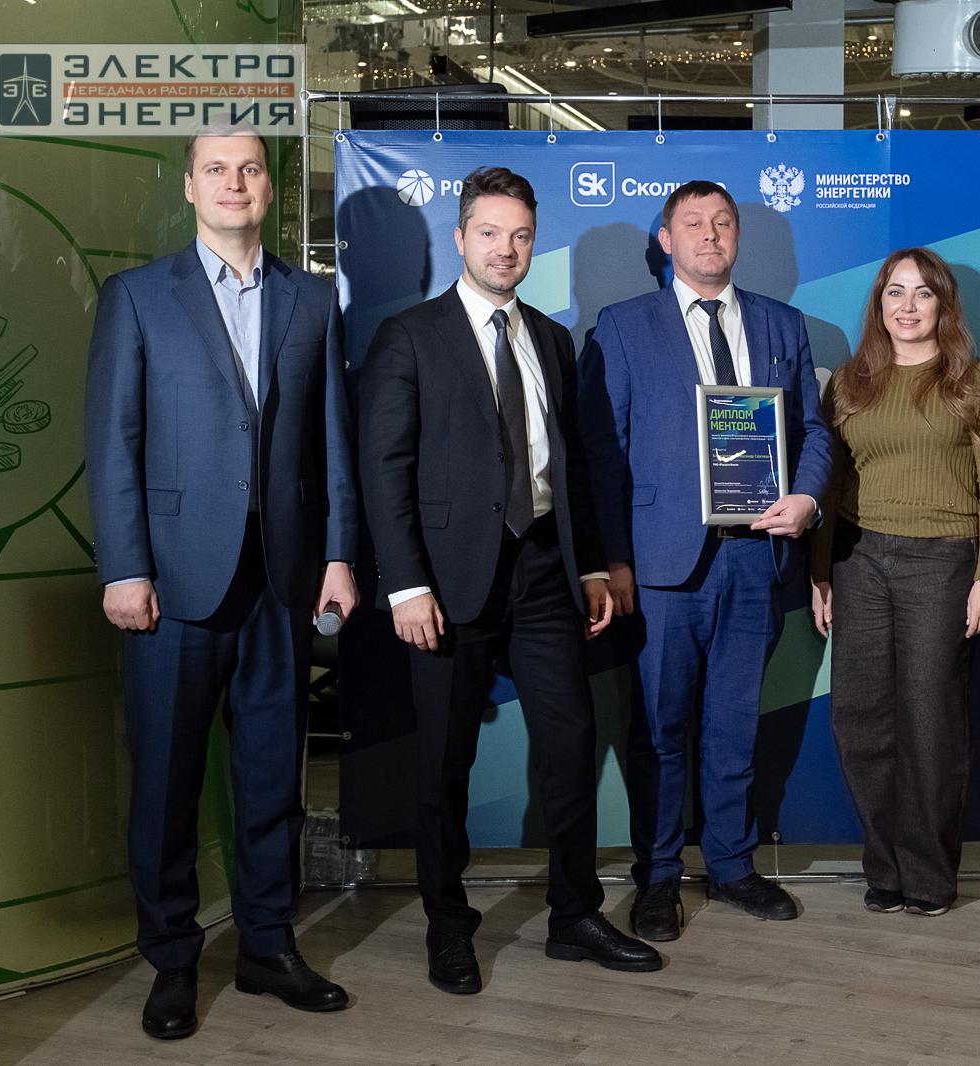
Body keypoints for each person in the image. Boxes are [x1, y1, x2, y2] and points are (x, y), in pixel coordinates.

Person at [84, 124, 358, 1040]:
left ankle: (267, 947)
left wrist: (338, 554)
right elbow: (113, 442)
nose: (234, 182)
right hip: (170, 587)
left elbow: (332, 441)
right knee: (165, 785)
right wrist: (125, 567)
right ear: (190, 187)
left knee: (273, 780)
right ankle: (171, 961)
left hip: (281, 584)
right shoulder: (137, 297)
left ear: (270, 188)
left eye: (249, 168)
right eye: (216, 169)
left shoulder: (312, 299)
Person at [358, 166, 661, 992]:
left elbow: (573, 468)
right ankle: (447, 926)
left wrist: (589, 564)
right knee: (443, 762)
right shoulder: (409, 336)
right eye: (490, 233)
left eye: (520, 235)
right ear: (460, 238)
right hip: (446, 582)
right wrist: (405, 584)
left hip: (543, 573)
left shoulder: (553, 341)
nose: (506, 249)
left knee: (569, 745)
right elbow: (383, 469)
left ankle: (574, 916)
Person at [578, 180, 832, 941]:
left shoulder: (783, 324)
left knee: (734, 725)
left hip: (756, 558)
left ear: (738, 236)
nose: (710, 235)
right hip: (661, 567)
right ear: (667, 241)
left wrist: (807, 498)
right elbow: (602, 454)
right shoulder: (623, 326)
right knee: (660, 730)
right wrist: (614, 560)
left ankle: (731, 864)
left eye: (723, 222)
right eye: (693, 223)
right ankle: (658, 877)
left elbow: (813, 432)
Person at [809, 248, 980, 918]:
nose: (907, 306)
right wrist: (820, 572)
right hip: (858, 561)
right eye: (894, 292)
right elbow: (830, 482)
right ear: (879, 304)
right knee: (860, 719)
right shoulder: (850, 383)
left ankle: (928, 875)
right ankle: (885, 868)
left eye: (923, 293)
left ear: (943, 304)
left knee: (931, 722)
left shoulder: (973, 382)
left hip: (943, 562)